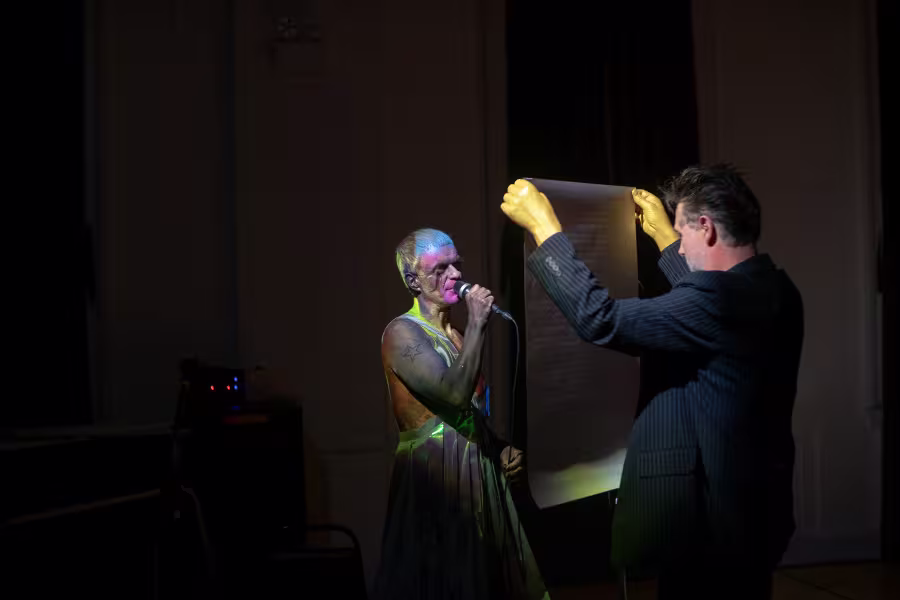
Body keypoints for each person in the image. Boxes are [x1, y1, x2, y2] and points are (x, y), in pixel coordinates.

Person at [500, 166, 803, 599]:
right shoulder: (775, 288)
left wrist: (544, 228)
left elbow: (599, 319)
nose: (682, 247)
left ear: (707, 227)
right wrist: (665, 237)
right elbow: (706, 307)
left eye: (684, 234)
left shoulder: (721, 302)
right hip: (751, 518)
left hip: (710, 531)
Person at [373, 228, 549, 600]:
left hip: (477, 474)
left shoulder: (456, 335)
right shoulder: (401, 333)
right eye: (440, 269)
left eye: (456, 265)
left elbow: (468, 413)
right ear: (413, 280)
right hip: (436, 478)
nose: (455, 275)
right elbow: (452, 394)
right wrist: (479, 324)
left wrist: (498, 447)